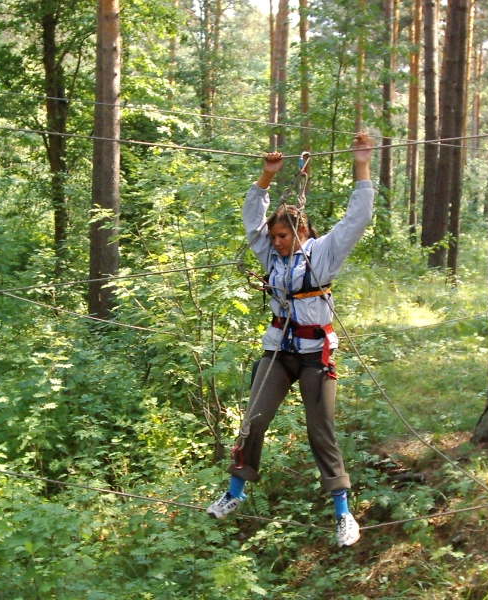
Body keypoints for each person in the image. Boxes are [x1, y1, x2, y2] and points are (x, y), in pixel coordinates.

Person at [206, 133, 375, 547]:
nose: (276, 243)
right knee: (253, 420)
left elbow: (357, 218)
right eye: (274, 237)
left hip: (316, 354)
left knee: (321, 430)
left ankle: (343, 513)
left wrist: (361, 165)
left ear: (299, 230)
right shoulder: (271, 255)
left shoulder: (324, 252)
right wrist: (266, 176)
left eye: (282, 236)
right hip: (278, 352)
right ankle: (234, 494)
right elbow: (252, 219)